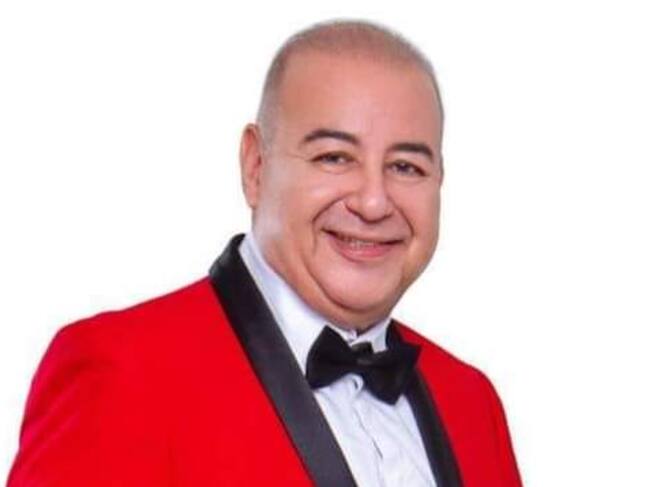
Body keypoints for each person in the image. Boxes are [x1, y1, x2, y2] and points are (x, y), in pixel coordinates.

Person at [7, 20, 523, 487]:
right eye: (334, 157)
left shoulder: (472, 401)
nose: (373, 202)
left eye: (406, 167)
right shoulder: (123, 372)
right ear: (255, 167)